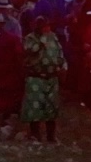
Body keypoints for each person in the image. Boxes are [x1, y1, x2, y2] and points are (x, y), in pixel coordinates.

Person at [21, 14, 66, 143]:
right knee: (35, 108)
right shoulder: (30, 38)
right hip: (36, 78)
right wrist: (41, 40)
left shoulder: (54, 37)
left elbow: (60, 52)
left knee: (51, 108)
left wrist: (62, 65)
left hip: (52, 77)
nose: (46, 28)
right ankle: (35, 135)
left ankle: (51, 136)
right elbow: (30, 51)